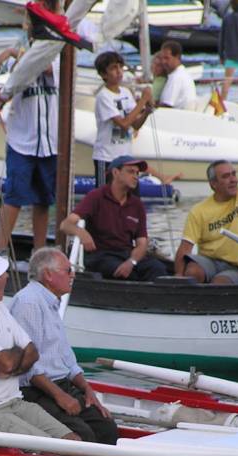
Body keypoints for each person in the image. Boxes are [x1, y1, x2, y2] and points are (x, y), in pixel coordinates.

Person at [0, 248, 80, 440]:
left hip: (14, 402)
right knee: (53, 447)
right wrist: (14, 360)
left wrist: (9, 365)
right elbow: (8, 362)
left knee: (72, 440)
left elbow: (32, 352)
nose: (7, 276)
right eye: (2, 272)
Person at [10, 248, 120, 444]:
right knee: (82, 435)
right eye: (68, 270)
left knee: (107, 427)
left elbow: (66, 358)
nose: (73, 275)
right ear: (48, 275)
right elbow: (28, 366)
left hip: (60, 384)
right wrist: (60, 396)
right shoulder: (29, 302)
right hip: (37, 390)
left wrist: (87, 389)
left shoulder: (51, 302)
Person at [0, 0, 61, 254]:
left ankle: (39, 251)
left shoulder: (58, 56)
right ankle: (0, 250)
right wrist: (14, 55)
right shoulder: (19, 62)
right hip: (22, 141)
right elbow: (18, 76)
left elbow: (46, 67)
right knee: (14, 197)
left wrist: (13, 51)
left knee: (43, 199)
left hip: (50, 142)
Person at [59, 155, 170, 281]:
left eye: (137, 173)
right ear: (116, 173)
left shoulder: (137, 205)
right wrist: (82, 233)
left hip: (126, 254)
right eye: (130, 172)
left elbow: (142, 243)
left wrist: (131, 262)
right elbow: (66, 225)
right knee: (123, 273)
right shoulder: (96, 196)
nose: (135, 176)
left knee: (158, 269)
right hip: (100, 256)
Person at [174, 160, 238, 284]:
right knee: (192, 272)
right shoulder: (198, 211)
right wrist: (178, 276)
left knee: (219, 283)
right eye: (226, 176)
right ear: (213, 184)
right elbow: (185, 247)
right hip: (207, 262)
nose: (233, 180)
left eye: (234, 174)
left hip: (237, 268)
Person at [92, 51, 153, 186]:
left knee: (129, 194)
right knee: (105, 194)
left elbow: (135, 125)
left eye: (120, 67)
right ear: (103, 74)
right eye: (113, 68)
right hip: (107, 157)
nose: (119, 71)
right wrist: (142, 101)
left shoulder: (126, 93)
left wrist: (146, 111)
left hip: (126, 157)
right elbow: (124, 124)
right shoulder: (104, 96)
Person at [155, 41, 197, 110]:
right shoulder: (181, 73)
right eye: (162, 58)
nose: (163, 62)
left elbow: (166, 106)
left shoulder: (176, 77)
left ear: (177, 57)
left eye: (166, 58)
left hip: (176, 115)